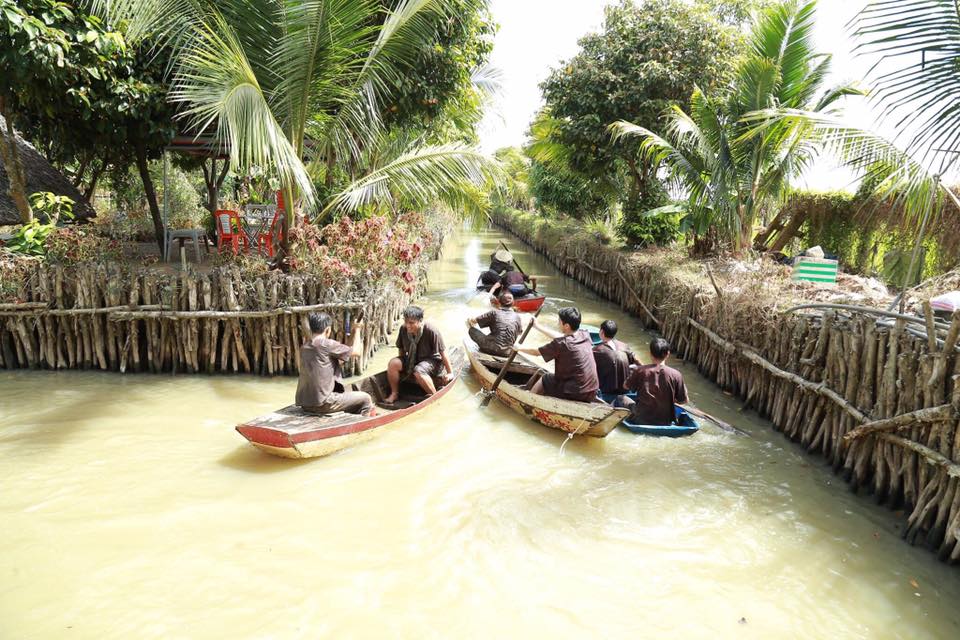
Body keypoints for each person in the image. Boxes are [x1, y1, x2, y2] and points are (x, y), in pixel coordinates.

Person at [514, 306, 599, 402]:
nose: (558, 323)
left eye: (559, 321)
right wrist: (537, 327)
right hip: (592, 391)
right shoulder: (585, 334)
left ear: (566, 326)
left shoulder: (561, 344)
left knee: (545, 378)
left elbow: (537, 352)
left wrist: (519, 348)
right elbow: (561, 337)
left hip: (576, 392)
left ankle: (526, 402)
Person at [295, 312, 374, 416]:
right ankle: (363, 426)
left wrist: (353, 332)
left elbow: (343, 357)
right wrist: (358, 329)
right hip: (324, 403)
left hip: (305, 404)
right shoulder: (327, 344)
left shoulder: (305, 347)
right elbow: (357, 352)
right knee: (366, 399)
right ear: (328, 330)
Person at [386, 305, 454, 403]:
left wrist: (450, 373)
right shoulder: (403, 329)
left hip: (431, 361)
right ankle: (394, 393)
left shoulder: (431, 330)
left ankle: (434, 397)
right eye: (406, 322)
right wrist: (403, 368)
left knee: (418, 370)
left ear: (420, 321)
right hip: (411, 359)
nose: (408, 325)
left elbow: (443, 352)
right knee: (393, 363)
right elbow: (401, 349)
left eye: (411, 323)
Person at [618, 337, 688, 425]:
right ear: (668, 354)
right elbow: (684, 401)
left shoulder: (640, 371)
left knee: (620, 398)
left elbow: (625, 386)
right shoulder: (677, 375)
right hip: (665, 421)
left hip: (641, 418)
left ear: (650, 353)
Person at [466, 292, 523, 357]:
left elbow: (474, 321)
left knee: (471, 329)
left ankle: (485, 347)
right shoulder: (517, 317)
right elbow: (519, 333)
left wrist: (469, 322)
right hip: (507, 352)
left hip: (491, 348)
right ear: (513, 303)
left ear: (499, 302)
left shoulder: (494, 313)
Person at [592, 320, 638, 397]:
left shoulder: (597, 350)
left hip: (606, 391)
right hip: (624, 390)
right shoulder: (624, 346)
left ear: (602, 332)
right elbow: (637, 360)